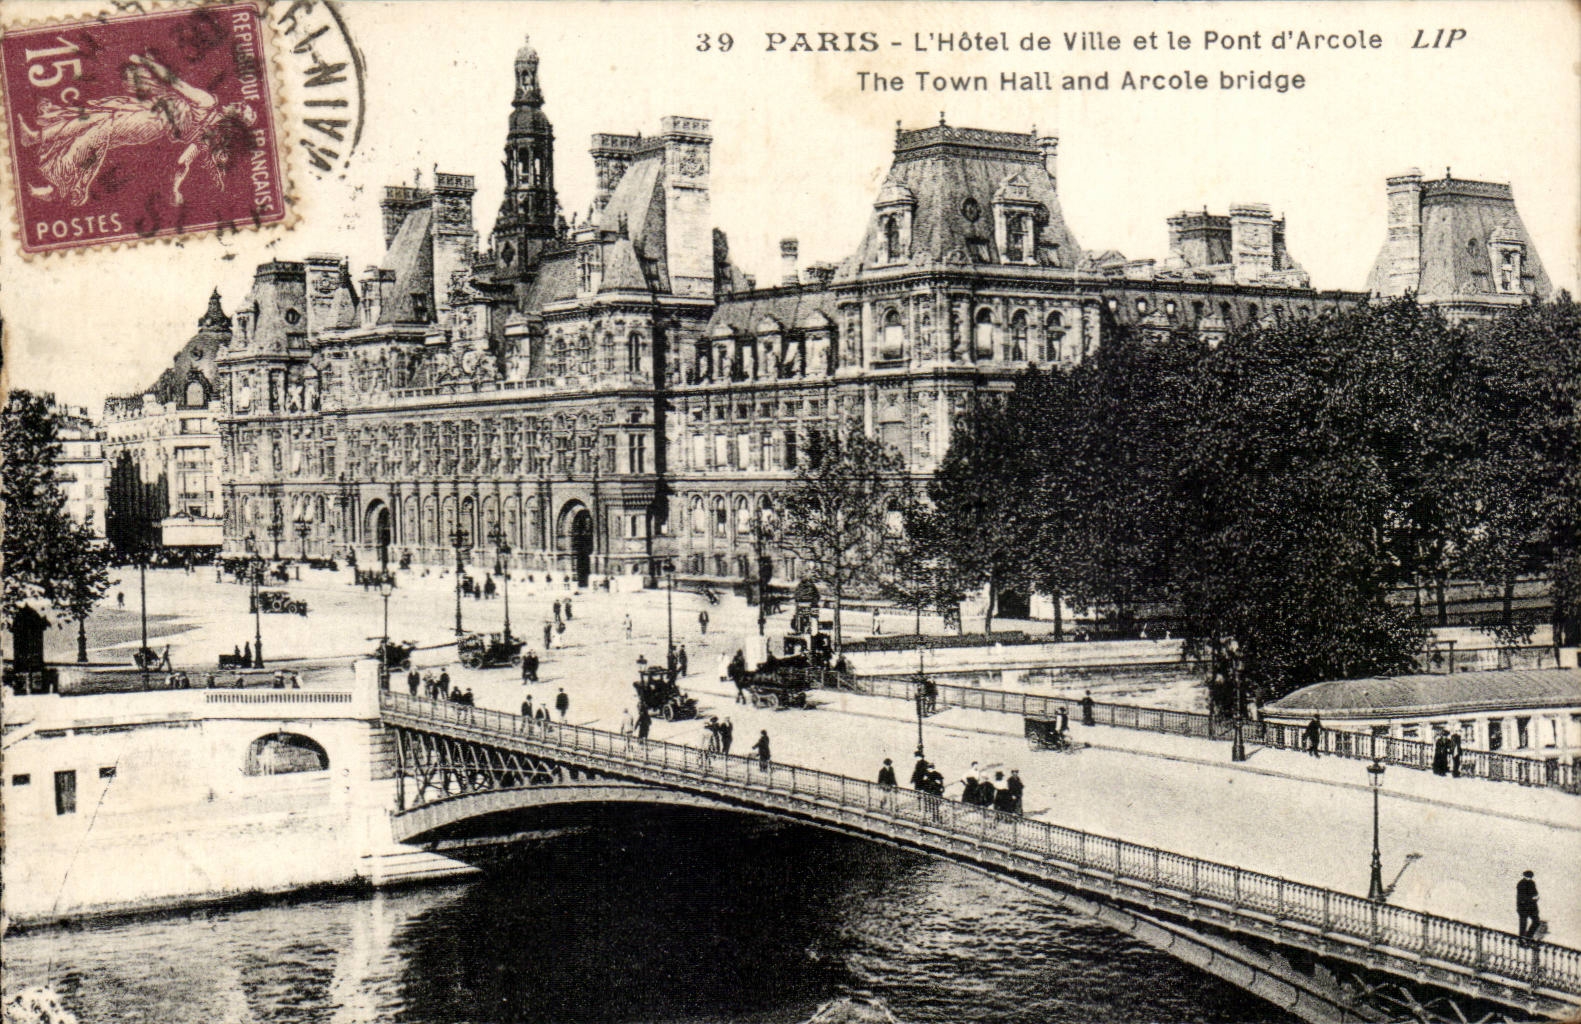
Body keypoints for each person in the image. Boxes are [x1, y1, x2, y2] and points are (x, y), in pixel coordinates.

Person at [1517, 871, 1541, 945]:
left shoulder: (1532, 883)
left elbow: (1535, 893)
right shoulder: (1521, 884)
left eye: (1530, 877)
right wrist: (1532, 898)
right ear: (1524, 876)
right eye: (1528, 877)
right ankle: (1521, 940)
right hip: (1523, 907)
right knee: (1523, 924)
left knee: (1536, 921)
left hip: (1531, 907)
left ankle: (1528, 937)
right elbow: (1522, 898)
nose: (1529, 878)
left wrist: (1536, 897)